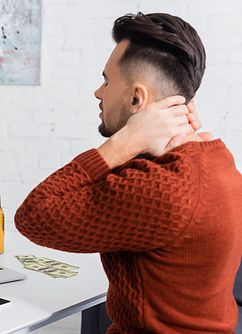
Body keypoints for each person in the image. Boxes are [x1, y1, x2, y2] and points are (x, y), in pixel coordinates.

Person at [14, 12, 242, 333]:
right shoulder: (218, 158)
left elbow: (34, 215)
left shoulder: (160, 188)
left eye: (107, 80)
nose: (98, 92)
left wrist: (122, 143)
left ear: (137, 98)